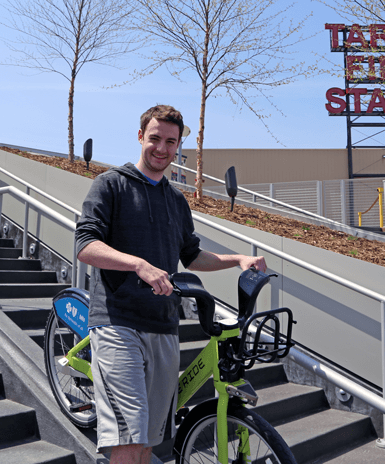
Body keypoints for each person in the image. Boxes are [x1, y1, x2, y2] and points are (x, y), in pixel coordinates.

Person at [75, 104, 267, 464]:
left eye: (170, 141)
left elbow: (192, 256)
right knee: (129, 440)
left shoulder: (176, 200)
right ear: (140, 137)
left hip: (164, 326)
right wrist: (139, 265)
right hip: (118, 323)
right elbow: (86, 245)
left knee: (149, 443)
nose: (162, 148)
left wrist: (237, 259)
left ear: (179, 145)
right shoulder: (111, 184)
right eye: (155, 139)